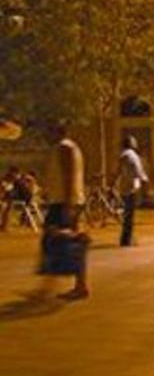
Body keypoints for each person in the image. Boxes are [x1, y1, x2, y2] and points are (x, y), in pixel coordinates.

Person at [38, 123, 89, 300]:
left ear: (57, 131)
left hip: (64, 202)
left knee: (57, 239)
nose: (46, 134)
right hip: (64, 200)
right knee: (69, 241)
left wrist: (69, 205)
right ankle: (77, 284)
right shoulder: (68, 147)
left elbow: (69, 176)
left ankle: (56, 285)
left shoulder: (64, 147)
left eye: (49, 130)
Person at [115, 136, 150, 247]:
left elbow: (118, 171)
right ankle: (127, 240)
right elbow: (138, 170)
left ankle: (124, 239)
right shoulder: (133, 156)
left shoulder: (122, 156)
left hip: (123, 187)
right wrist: (145, 180)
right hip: (131, 188)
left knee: (126, 214)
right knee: (130, 215)